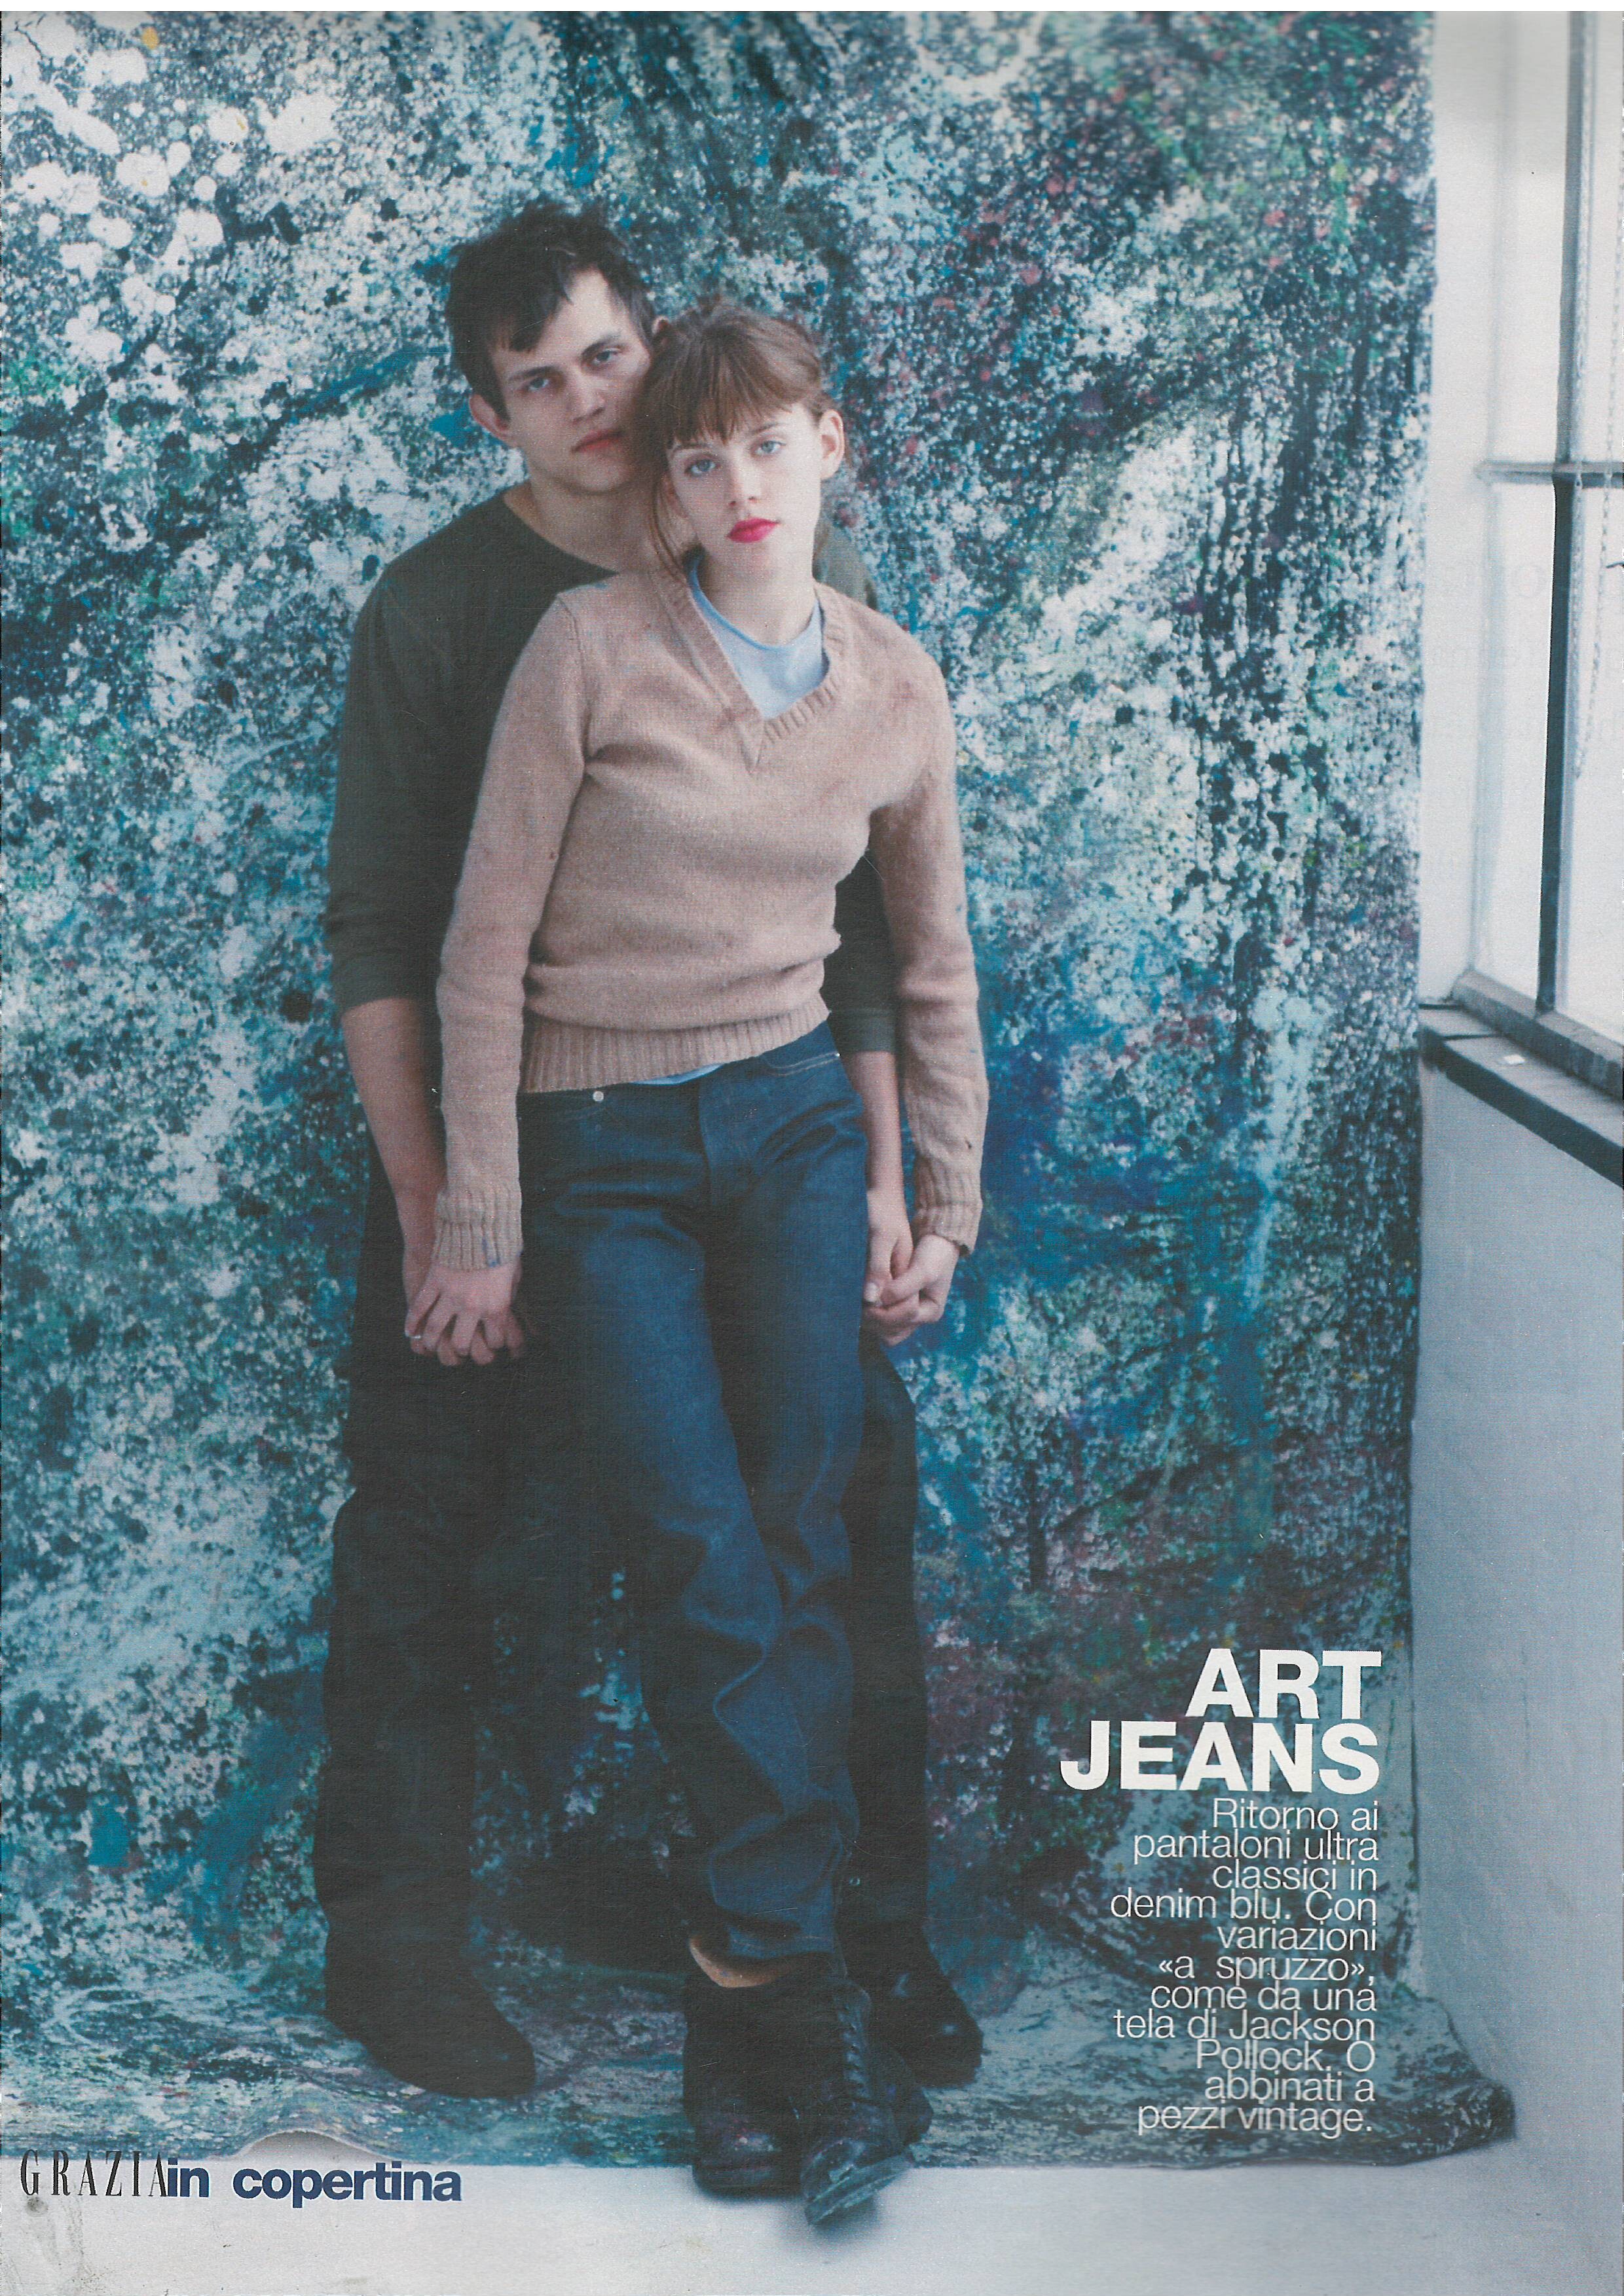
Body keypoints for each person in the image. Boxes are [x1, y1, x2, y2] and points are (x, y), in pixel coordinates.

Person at [317, 206, 982, 2141]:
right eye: (541, 383)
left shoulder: (783, 565)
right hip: (500, 1129)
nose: (593, 404)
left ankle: (862, 1931)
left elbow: (871, 934)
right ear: (491, 415)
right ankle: (396, 1942)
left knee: (839, 1495)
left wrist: (895, 1181)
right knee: (431, 1515)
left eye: (610, 356)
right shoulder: (453, 610)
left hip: (768, 1129)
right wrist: (450, 1217)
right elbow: (398, 936)